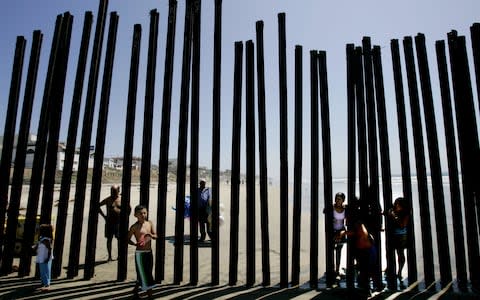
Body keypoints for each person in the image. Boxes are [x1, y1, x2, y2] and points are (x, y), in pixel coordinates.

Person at [337, 220, 383, 294]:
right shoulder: (360, 231)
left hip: (367, 251)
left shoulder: (361, 228)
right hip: (365, 251)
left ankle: (370, 287)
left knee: (368, 270)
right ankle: (369, 286)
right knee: (366, 270)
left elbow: (362, 233)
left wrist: (345, 233)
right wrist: (344, 233)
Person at [128, 205, 157, 297]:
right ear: (135, 215)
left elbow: (156, 235)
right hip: (140, 254)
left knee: (146, 273)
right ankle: (150, 296)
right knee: (146, 275)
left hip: (149, 252)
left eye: (145, 213)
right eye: (140, 213)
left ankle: (135, 291)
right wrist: (134, 244)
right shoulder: (134, 227)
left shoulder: (150, 223)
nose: (143, 215)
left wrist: (151, 236)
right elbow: (127, 239)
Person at [387, 197, 410, 286]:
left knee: (400, 254)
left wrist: (394, 216)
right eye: (396, 204)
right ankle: (389, 269)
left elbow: (402, 225)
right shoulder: (393, 211)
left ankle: (399, 271)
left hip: (401, 236)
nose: (397, 206)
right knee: (390, 252)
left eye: (399, 204)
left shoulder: (405, 213)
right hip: (392, 235)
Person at [99, 185, 121, 261]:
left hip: (119, 223)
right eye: (111, 191)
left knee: (119, 239)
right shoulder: (108, 200)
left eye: (114, 191)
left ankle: (119, 255)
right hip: (109, 223)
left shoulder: (121, 199)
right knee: (109, 239)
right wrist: (104, 216)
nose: (113, 193)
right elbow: (98, 206)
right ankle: (109, 256)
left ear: (119, 191)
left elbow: (129, 208)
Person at [32, 224, 54, 291]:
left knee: (44, 271)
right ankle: (45, 283)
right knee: (46, 271)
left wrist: (47, 258)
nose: (38, 231)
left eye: (39, 230)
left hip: (44, 258)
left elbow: (50, 249)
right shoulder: (43, 238)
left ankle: (46, 285)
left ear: (43, 232)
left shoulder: (45, 240)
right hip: (44, 257)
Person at [332, 192, 347, 277]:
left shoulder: (345, 208)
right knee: (331, 250)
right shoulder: (332, 208)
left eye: (339, 199)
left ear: (343, 200)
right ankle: (331, 268)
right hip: (332, 232)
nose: (337, 200)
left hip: (341, 231)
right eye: (336, 198)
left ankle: (337, 269)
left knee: (339, 251)